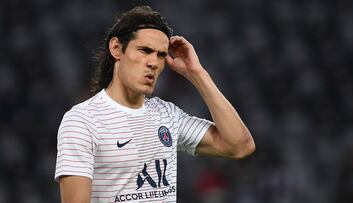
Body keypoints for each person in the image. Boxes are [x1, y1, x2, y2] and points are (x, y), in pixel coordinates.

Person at [55, 5, 255, 203]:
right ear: (116, 48)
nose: (153, 63)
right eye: (144, 50)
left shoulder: (167, 114)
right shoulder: (82, 121)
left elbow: (239, 146)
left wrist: (198, 74)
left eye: (160, 55)